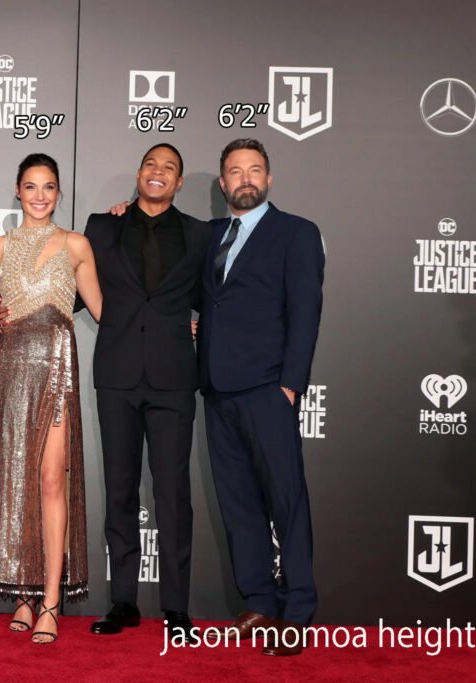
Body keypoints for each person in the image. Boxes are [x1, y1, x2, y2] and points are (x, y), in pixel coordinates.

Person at [198, 138, 324, 656]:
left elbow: (306, 310)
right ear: (223, 182)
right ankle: (260, 601)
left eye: (254, 170)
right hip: (216, 388)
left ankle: (297, 612)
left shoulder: (296, 233)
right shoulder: (207, 235)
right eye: (235, 171)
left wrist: (291, 383)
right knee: (239, 503)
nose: (245, 178)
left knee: (286, 500)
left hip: (270, 388)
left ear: (268, 179)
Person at [86, 144, 211, 642]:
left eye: (169, 168)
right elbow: (71, 286)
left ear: (178, 183)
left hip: (174, 377)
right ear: (138, 174)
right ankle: (123, 601)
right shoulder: (103, 227)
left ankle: (176, 609)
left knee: (173, 494)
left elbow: (214, 298)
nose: (158, 172)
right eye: (151, 165)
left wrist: (203, 327)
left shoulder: (200, 235)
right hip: (116, 375)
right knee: (119, 491)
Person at [0, 153, 102, 644]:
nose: (39, 196)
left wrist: (177, 322)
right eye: (31, 186)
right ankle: (23, 595)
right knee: (17, 481)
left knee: (52, 480)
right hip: (9, 371)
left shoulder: (76, 245)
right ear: (17, 190)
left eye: (48, 187)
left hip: (56, 369)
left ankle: (50, 600)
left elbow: (103, 310)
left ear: (58, 192)